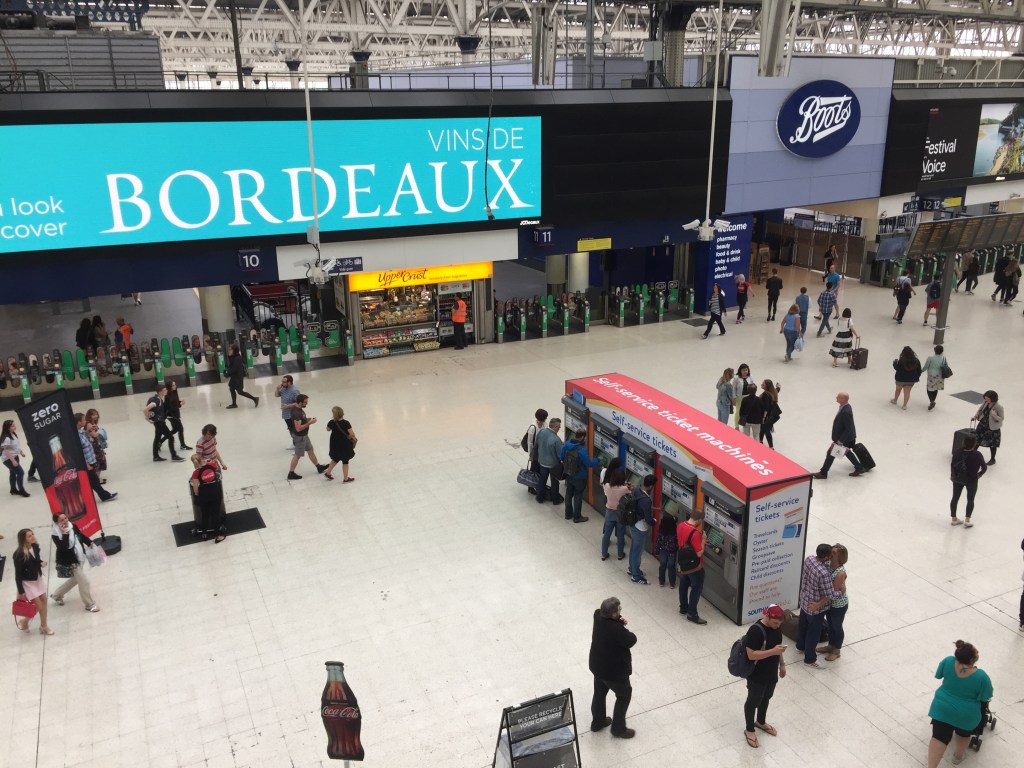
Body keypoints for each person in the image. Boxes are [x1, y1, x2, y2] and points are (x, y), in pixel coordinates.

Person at [926, 640, 993, 768]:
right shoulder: (981, 676)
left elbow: (938, 675)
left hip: (942, 708)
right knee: (963, 734)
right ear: (973, 659)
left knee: (939, 736)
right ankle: (957, 757)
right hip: (966, 714)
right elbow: (986, 697)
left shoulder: (948, 661)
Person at [588, 596, 638, 739]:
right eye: (619, 610)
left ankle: (597, 722)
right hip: (613, 672)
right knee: (624, 694)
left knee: (599, 692)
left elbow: (607, 617)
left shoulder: (597, 614)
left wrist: (618, 618)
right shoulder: (616, 629)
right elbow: (631, 640)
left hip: (597, 665)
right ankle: (618, 729)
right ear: (614, 614)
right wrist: (620, 623)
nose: (620, 611)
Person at [742, 604, 787, 749]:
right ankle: (749, 729)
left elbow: (778, 647)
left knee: (766, 698)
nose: (777, 626)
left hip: (771, 673)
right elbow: (751, 654)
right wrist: (772, 652)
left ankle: (760, 721)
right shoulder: (755, 631)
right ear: (767, 616)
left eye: (779, 624)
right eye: (775, 623)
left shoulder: (777, 627)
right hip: (757, 675)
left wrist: (782, 664)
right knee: (753, 702)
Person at [796, 543, 839, 668]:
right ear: (826, 557)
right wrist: (841, 590)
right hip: (816, 607)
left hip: (805, 600)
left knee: (803, 626)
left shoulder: (809, 559)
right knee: (813, 633)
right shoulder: (824, 573)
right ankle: (810, 659)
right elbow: (830, 594)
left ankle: (800, 647)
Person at [50, 513, 101, 611]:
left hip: (79, 556)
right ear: (57, 522)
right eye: (62, 520)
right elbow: (63, 547)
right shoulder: (56, 534)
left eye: (66, 518)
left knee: (76, 579)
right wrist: (64, 533)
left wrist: (89, 542)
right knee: (84, 582)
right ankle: (89, 605)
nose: (65, 521)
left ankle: (56, 595)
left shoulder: (72, 526)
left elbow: (80, 536)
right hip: (71, 561)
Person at [813, 392, 866, 479]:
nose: (836, 397)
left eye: (838, 397)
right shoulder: (845, 407)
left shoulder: (846, 411)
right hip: (846, 437)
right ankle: (859, 468)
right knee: (846, 452)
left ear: (843, 399)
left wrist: (841, 440)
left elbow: (848, 428)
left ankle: (823, 473)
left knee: (831, 453)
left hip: (844, 438)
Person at [13, 529, 54, 635]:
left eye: (32, 534)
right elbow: (18, 574)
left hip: (37, 578)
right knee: (38, 606)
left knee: (44, 600)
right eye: (29, 536)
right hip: (27, 582)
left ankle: (44, 626)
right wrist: (21, 591)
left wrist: (41, 562)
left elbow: (35, 561)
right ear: (23, 539)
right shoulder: (19, 554)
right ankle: (24, 621)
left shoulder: (35, 547)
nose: (32, 537)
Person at [816, 544, 848, 662]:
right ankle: (830, 645)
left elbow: (831, 593)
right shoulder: (828, 564)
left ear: (839, 557)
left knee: (837, 627)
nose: (830, 554)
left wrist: (818, 605)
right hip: (830, 604)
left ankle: (836, 650)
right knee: (830, 625)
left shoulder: (840, 573)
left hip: (838, 605)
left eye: (833, 553)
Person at [76, 413, 117, 502]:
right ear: (79, 422)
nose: (85, 421)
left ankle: (102, 496)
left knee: (93, 482)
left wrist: (90, 431)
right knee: (94, 482)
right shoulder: (76, 436)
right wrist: (86, 464)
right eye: (83, 420)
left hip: (90, 462)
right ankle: (104, 496)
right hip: (86, 464)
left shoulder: (81, 432)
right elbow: (78, 452)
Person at [560, 428, 598, 523]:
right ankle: (577, 517)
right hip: (580, 477)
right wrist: (599, 459)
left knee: (569, 494)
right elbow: (589, 464)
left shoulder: (567, 445)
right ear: (582, 437)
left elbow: (561, 456)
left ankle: (568, 514)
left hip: (569, 473)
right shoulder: (582, 451)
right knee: (578, 495)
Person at [287, 394, 328, 480]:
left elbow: (301, 421)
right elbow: (298, 428)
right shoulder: (296, 413)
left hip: (304, 436)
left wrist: (308, 419)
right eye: (305, 402)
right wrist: (310, 423)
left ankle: (318, 466)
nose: (307, 404)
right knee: (297, 455)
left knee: (310, 450)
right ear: (300, 402)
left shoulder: (298, 409)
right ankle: (291, 473)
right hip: (300, 437)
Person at [677, 509, 707, 624]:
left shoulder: (680, 525)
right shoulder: (694, 533)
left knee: (684, 584)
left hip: (683, 562)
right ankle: (692, 614)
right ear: (699, 519)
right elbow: (699, 553)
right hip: (694, 566)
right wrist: (703, 540)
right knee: (696, 588)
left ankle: (683, 608)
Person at [950, 435, 986, 528]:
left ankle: (954, 519)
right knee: (970, 499)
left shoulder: (957, 452)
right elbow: (984, 467)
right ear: (974, 444)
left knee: (955, 498)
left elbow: (953, 465)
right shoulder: (977, 455)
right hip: (972, 479)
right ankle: (967, 520)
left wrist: (953, 476)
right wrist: (979, 474)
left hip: (958, 479)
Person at [190, 454, 227, 543]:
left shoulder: (196, 473)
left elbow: (195, 489)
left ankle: (204, 533)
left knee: (204, 514)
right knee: (215, 514)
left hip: (204, 496)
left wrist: (198, 494)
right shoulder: (212, 465)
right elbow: (216, 467)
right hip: (215, 494)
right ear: (201, 459)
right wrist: (208, 461)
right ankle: (218, 536)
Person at [627, 474, 656, 585]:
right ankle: (636, 576)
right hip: (640, 527)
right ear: (651, 486)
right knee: (637, 552)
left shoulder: (637, 490)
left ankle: (632, 569)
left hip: (632, 523)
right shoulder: (646, 500)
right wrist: (655, 521)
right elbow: (648, 519)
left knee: (634, 548)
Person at [144, 384, 184, 463]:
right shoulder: (157, 400)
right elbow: (145, 409)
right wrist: (148, 419)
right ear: (160, 391)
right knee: (171, 437)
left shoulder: (156, 398)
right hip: (160, 423)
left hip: (158, 422)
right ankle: (174, 456)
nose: (166, 391)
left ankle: (155, 457)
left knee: (157, 439)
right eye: (165, 390)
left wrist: (149, 419)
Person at [600, 464, 629, 562]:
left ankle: (604, 554)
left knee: (607, 534)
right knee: (620, 535)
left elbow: (605, 483)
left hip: (609, 512)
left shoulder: (607, 486)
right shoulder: (624, 489)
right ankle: (620, 555)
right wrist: (626, 484)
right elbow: (630, 490)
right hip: (620, 513)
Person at [534, 417, 564, 505]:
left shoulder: (541, 432)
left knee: (542, 480)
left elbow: (537, 444)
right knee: (554, 482)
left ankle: (540, 498)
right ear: (555, 426)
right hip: (553, 465)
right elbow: (560, 455)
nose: (559, 428)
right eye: (559, 427)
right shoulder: (556, 439)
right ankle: (555, 500)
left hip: (542, 462)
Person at [325, 406, 357, 482]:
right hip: (344, 444)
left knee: (335, 458)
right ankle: (346, 478)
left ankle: (328, 472)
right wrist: (354, 439)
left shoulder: (331, 422)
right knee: (345, 461)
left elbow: (328, 429)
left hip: (335, 443)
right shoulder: (346, 423)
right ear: (342, 413)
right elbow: (352, 434)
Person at [225, 344, 259, 409]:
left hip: (238, 377)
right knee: (231, 388)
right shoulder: (234, 356)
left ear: (234, 350)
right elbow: (231, 365)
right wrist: (229, 356)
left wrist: (227, 374)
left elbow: (234, 368)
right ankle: (234, 404)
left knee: (240, 392)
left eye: (230, 349)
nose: (229, 350)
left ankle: (255, 399)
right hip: (234, 376)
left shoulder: (237, 358)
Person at [1, 419, 29, 498]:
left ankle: (13, 489)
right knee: (21, 473)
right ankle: (21, 491)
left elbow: (15, 446)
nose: (15, 427)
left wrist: (21, 452)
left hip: (15, 456)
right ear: (7, 428)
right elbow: (6, 450)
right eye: (12, 426)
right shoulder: (6, 438)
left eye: (14, 425)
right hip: (8, 459)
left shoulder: (13, 434)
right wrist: (13, 461)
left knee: (13, 473)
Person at [973, 390, 1003, 465]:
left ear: (992, 398)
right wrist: (975, 416)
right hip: (982, 425)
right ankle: (972, 455)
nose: (986, 400)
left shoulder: (999, 407)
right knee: (976, 441)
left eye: (987, 398)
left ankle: (993, 459)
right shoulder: (985, 403)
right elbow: (980, 410)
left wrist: (994, 415)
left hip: (992, 428)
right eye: (985, 398)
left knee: (992, 444)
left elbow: (1001, 418)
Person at [524, 408, 548, 496]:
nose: (545, 420)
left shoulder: (545, 424)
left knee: (539, 468)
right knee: (534, 469)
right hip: (535, 451)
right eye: (544, 418)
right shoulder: (532, 427)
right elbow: (529, 442)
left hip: (542, 450)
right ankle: (530, 486)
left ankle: (537, 484)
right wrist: (531, 455)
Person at [891, 346, 922, 410]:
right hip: (911, 380)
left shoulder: (901, 360)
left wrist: (894, 362)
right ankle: (904, 405)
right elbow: (919, 370)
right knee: (907, 392)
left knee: (898, 390)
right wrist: (916, 376)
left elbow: (897, 368)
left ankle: (895, 400)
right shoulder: (916, 361)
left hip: (900, 379)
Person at [165, 380, 191, 451]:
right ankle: (183, 445)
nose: (175, 386)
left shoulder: (174, 393)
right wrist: (180, 404)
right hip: (172, 416)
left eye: (175, 385)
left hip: (175, 414)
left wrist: (180, 402)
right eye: (173, 385)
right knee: (180, 429)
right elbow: (171, 407)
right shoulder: (167, 396)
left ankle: (160, 441)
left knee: (175, 430)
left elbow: (175, 403)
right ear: (169, 386)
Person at [84, 409, 108, 483]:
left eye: (96, 414)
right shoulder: (89, 424)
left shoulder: (93, 423)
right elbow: (94, 435)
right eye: (93, 415)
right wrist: (100, 430)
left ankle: (97, 478)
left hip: (96, 444)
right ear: (89, 416)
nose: (95, 416)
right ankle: (97, 479)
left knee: (99, 461)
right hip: (94, 446)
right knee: (98, 462)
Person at [922, 345, 948, 411]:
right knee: (936, 388)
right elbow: (946, 366)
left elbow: (926, 366)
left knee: (929, 389)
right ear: (942, 351)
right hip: (940, 376)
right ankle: (933, 401)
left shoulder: (930, 358)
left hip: (932, 375)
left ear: (935, 350)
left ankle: (932, 401)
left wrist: (920, 371)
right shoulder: (944, 358)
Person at [656, 513, 678, 588]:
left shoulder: (661, 531)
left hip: (663, 551)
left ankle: (661, 581)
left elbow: (658, 542)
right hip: (672, 552)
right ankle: (672, 583)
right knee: (671, 567)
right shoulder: (675, 532)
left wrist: (657, 551)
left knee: (662, 566)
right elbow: (677, 543)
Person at [275, 374, 300, 440]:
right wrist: (277, 389)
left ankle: (296, 443)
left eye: (284, 382)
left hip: (292, 414)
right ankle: (294, 441)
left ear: (289, 382)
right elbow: (276, 395)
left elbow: (299, 403)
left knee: (294, 429)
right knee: (290, 428)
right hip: (286, 414)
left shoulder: (295, 391)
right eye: (282, 382)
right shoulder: (283, 388)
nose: (282, 383)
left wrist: (288, 406)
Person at [758, 380, 782, 449]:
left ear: (767, 386)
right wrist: (778, 387)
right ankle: (761, 441)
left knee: (765, 429)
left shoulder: (765, 395)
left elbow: (766, 408)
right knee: (763, 428)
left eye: (763, 384)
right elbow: (777, 390)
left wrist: (763, 417)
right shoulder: (773, 391)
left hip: (768, 415)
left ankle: (771, 446)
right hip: (774, 414)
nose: (761, 384)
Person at [732, 363, 754, 429]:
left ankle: (747, 425)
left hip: (748, 396)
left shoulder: (750, 376)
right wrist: (734, 398)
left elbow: (753, 386)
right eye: (743, 370)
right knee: (738, 412)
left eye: (746, 370)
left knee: (749, 411)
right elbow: (733, 388)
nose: (745, 372)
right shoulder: (736, 378)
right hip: (740, 397)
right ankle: (737, 426)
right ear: (740, 371)